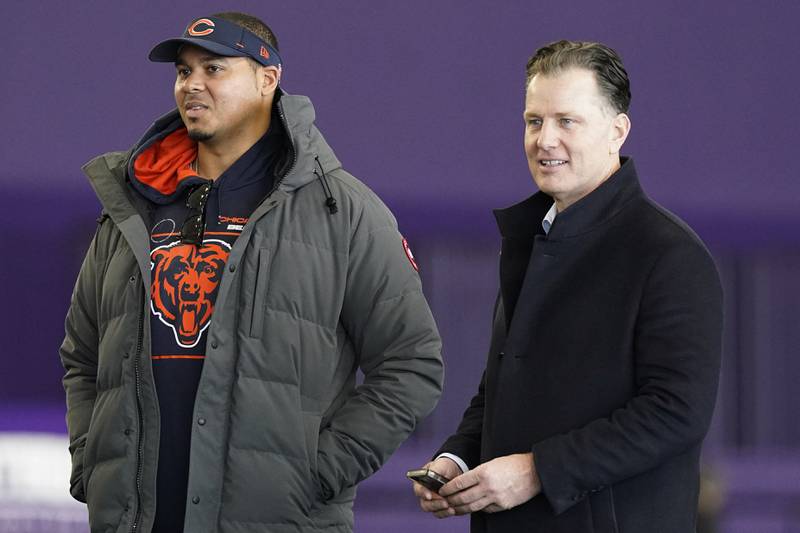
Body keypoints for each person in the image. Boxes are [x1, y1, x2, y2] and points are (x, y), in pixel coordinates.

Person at [60, 12, 443, 533]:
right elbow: (83, 355)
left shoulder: (343, 210)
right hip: (133, 520)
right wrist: (90, 462)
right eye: (183, 71)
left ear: (269, 79)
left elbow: (411, 364)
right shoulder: (130, 205)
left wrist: (317, 474)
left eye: (214, 68)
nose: (192, 84)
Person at [412, 40, 723, 532]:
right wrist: (459, 457)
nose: (545, 140)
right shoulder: (533, 239)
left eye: (567, 121)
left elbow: (675, 412)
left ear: (617, 131)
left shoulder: (670, 254)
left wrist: (538, 471)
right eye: (534, 121)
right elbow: (502, 389)